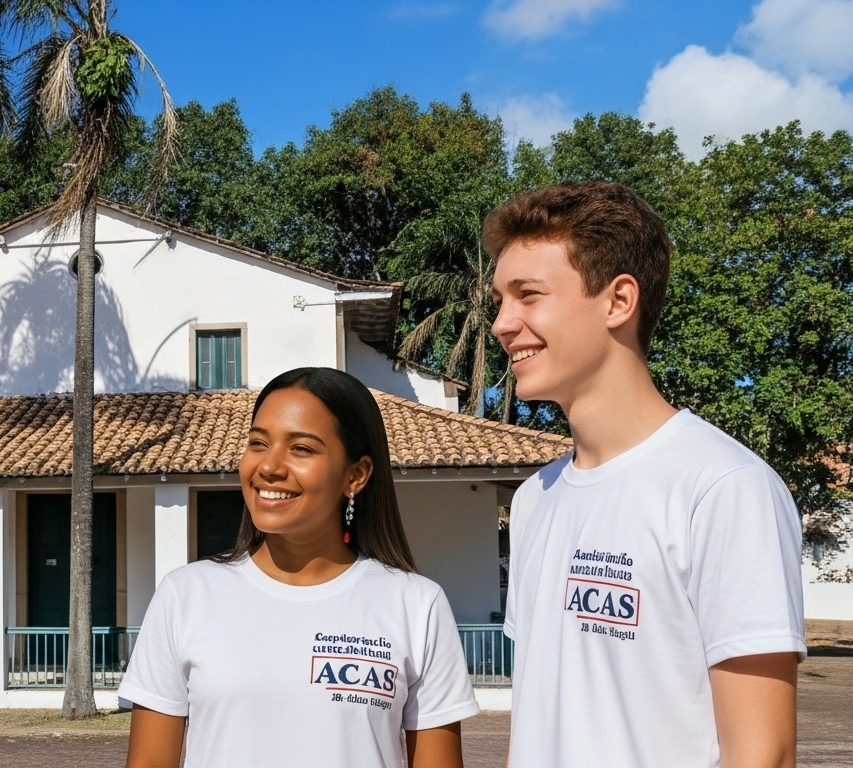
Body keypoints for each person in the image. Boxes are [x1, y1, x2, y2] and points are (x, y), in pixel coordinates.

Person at [487, 182, 805, 767]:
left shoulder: (723, 487)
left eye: (528, 295)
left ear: (618, 301)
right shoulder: (535, 498)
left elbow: (764, 753)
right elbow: (537, 718)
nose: (503, 324)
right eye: (501, 301)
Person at [120, 367, 480, 768]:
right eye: (258, 443)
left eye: (301, 449)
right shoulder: (185, 595)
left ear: (356, 475)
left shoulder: (416, 605)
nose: (269, 466)